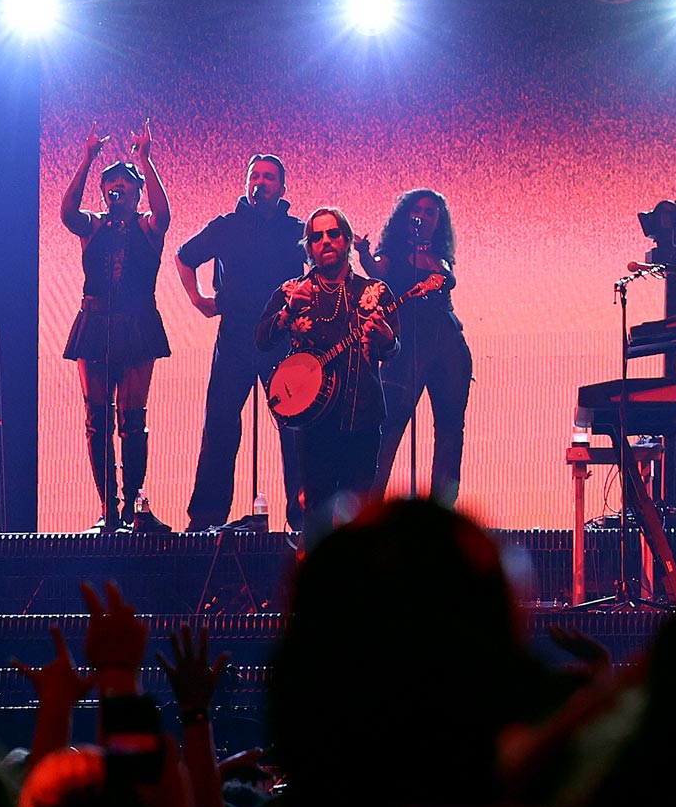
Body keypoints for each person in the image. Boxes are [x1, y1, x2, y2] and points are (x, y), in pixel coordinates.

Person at [175, 153, 307, 531]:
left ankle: (302, 518)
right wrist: (199, 300)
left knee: (294, 426)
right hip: (235, 335)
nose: (260, 183)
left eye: (268, 178)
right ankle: (205, 519)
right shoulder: (226, 226)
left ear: (282, 188)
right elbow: (184, 257)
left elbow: (321, 270)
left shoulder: (295, 230)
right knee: (219, 423)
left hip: (282, 337)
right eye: (254, 176)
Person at [59, 120, 172, 532]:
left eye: (125, 183)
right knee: (96, 419)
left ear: (136, 190)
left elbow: (164, 214)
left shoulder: (146, 226)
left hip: (138, 323)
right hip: (94, 322)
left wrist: (145, 159)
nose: (116, 188)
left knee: (132, 420)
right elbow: (67, 213)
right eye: (110, 184)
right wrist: (88, 160)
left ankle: (132, 507)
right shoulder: (93, 225)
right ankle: (107, 509)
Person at [253, 207, 398, 523]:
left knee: (359, 515)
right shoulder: (291, 291)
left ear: (346, 240)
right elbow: (262, 339)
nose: (326, 241)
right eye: (316, 236)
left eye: (333, 234)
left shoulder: (374, 292)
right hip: (313, 423)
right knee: (317, 512)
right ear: (309, 247)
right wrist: (288, 312)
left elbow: (391, 351)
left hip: (362, 417)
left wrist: (386, 337)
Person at [357, 189, 472, 505]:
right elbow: (375, 268)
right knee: (389, 425)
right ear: (405, 215)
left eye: (431, 212)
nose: (423, 216)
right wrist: (363, 253)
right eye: (417, 210)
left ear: (439, 222)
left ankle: (442, 511)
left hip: (448, 343)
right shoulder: (392, 252)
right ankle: (371, 507)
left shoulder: (441, 257)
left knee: (450, 429)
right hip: (406, 344)